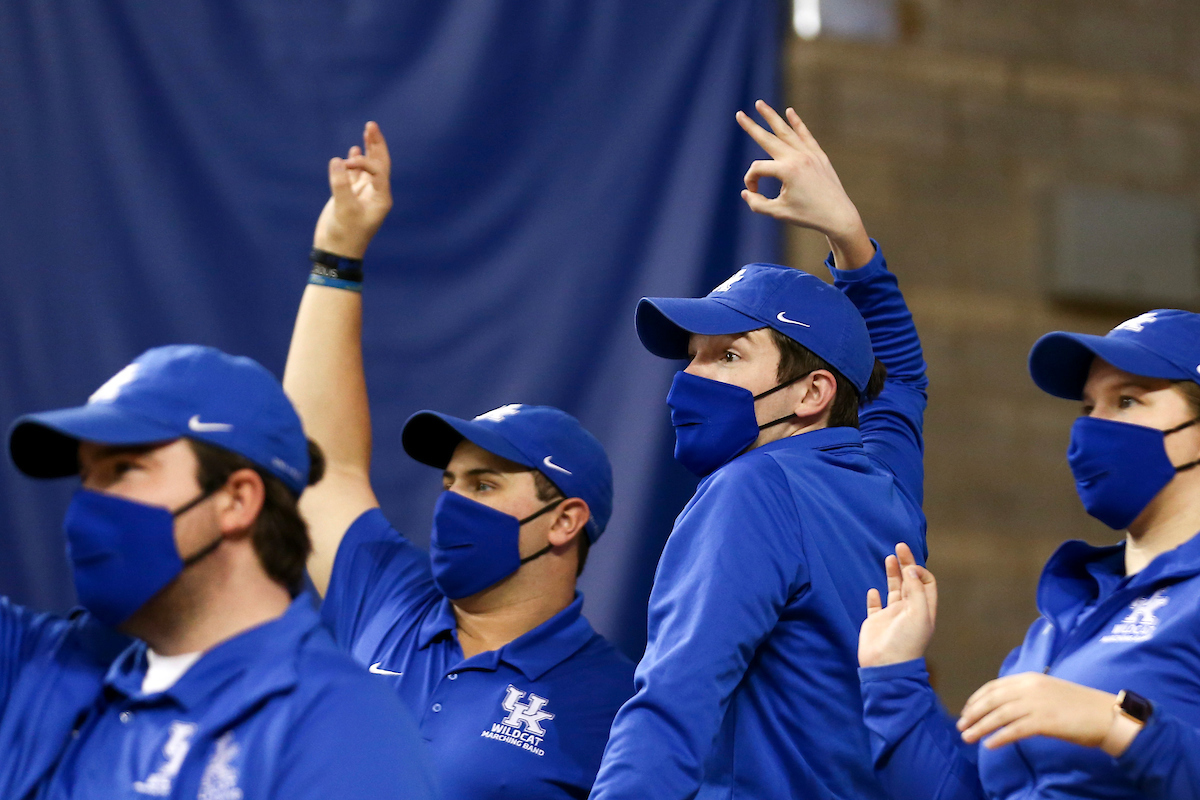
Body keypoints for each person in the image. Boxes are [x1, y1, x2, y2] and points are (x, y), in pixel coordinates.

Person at [282, 121, 635, 800]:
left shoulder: (616, 703)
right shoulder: (387, 597)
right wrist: (337, 255)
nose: (451, 502)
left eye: (484, 483)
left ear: (565, 521)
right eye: (448, 481)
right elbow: (320, 465)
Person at [590, 100, 929, 799]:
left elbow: (672, 704)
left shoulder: (753, 490)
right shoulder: (886, 482)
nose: (691, 377)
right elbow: (901, 376)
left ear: (811, 393)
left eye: (727, 355)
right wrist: (849, 237)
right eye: (693, 356)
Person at [0, 344, 436, 799]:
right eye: (86, 478)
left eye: (123, 469)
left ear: (237, 500)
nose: (86, 507)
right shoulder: (44, 668)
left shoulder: (338, 731)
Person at [858, 310, 1200, 799]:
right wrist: (892, 674)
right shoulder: (1067, 614)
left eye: (1127, 401)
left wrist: (1118, 725)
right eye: (1087, 408)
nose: (1091, 431)